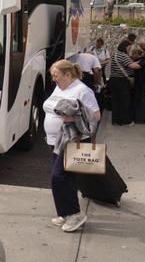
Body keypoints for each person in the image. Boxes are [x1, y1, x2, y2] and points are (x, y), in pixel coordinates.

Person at [42, 60, 101, 233]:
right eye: (53, 76)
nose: (54, 79)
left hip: (72, 140)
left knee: (58, 177)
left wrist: (73, 118)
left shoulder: (83, 90)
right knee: (65, 178)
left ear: (68, 74)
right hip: (55, 140)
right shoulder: (60, 87)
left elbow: (95, 115)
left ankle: (75, 214)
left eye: (56, 76)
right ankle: (64, 212)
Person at [108, 45, 143, 126]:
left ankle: (115, 120)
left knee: (115, 101)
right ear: (125, 47)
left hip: (114, 80)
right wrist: (144, 63)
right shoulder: (123, 55)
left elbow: (129, 63)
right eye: (129, 47)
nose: (130, 49)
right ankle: (125, 121)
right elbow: (133, 66)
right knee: (125, 101)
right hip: (122, 81)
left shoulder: (116, 54)